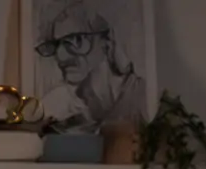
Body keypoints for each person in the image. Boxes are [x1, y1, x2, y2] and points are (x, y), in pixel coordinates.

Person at [36, 0, 147, 132]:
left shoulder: (143, 96)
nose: (60, 56)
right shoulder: (57, 105)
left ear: (107, 42)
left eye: (77, 40)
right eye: (57, 45)